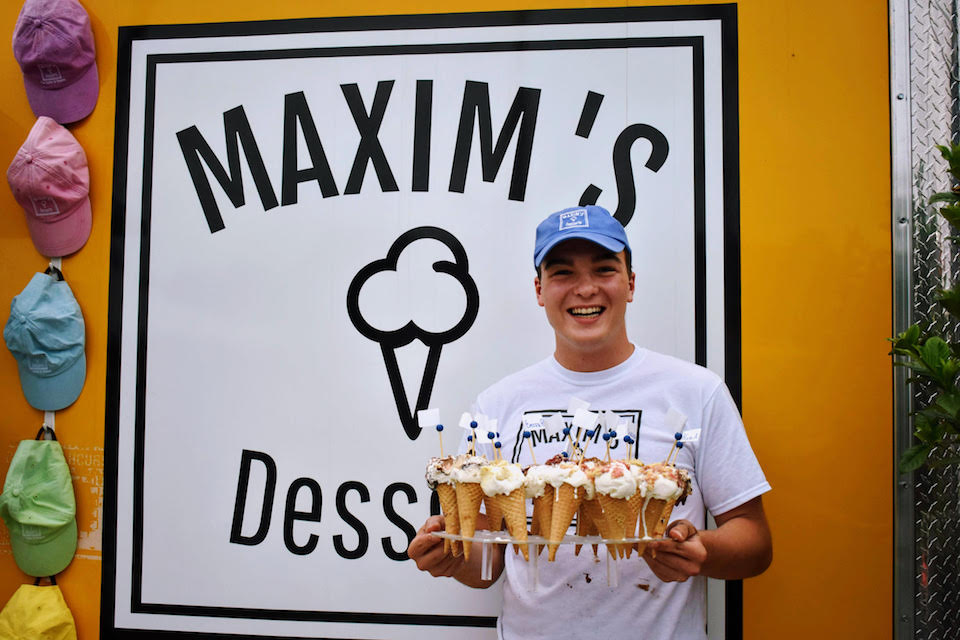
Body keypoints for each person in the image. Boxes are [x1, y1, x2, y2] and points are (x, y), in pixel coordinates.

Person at [407, 205, 772, 640]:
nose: (585, 289)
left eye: (604, 269)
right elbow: (488, 567)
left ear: (630, 284)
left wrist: (702, 552)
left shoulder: (697, 392)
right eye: (562, 273)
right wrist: (454, 559)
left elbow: (755, 543)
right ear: (539, 289)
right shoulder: (498, 404)